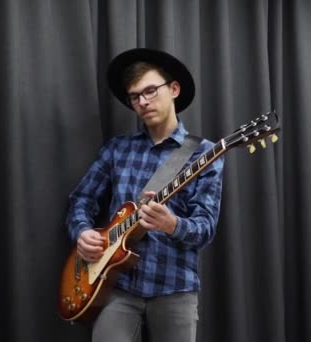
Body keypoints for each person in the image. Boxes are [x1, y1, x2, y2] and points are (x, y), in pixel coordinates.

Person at [66, 48, 224, 342]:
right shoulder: (118, 148)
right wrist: (83, 231)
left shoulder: (206, 153)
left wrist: (171, 224)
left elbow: (206, 227)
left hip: (174, 288)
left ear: (174, 89)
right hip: (115, 286)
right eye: (135, 97)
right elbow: (81, 199)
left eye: (150, 90)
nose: (143, 101)